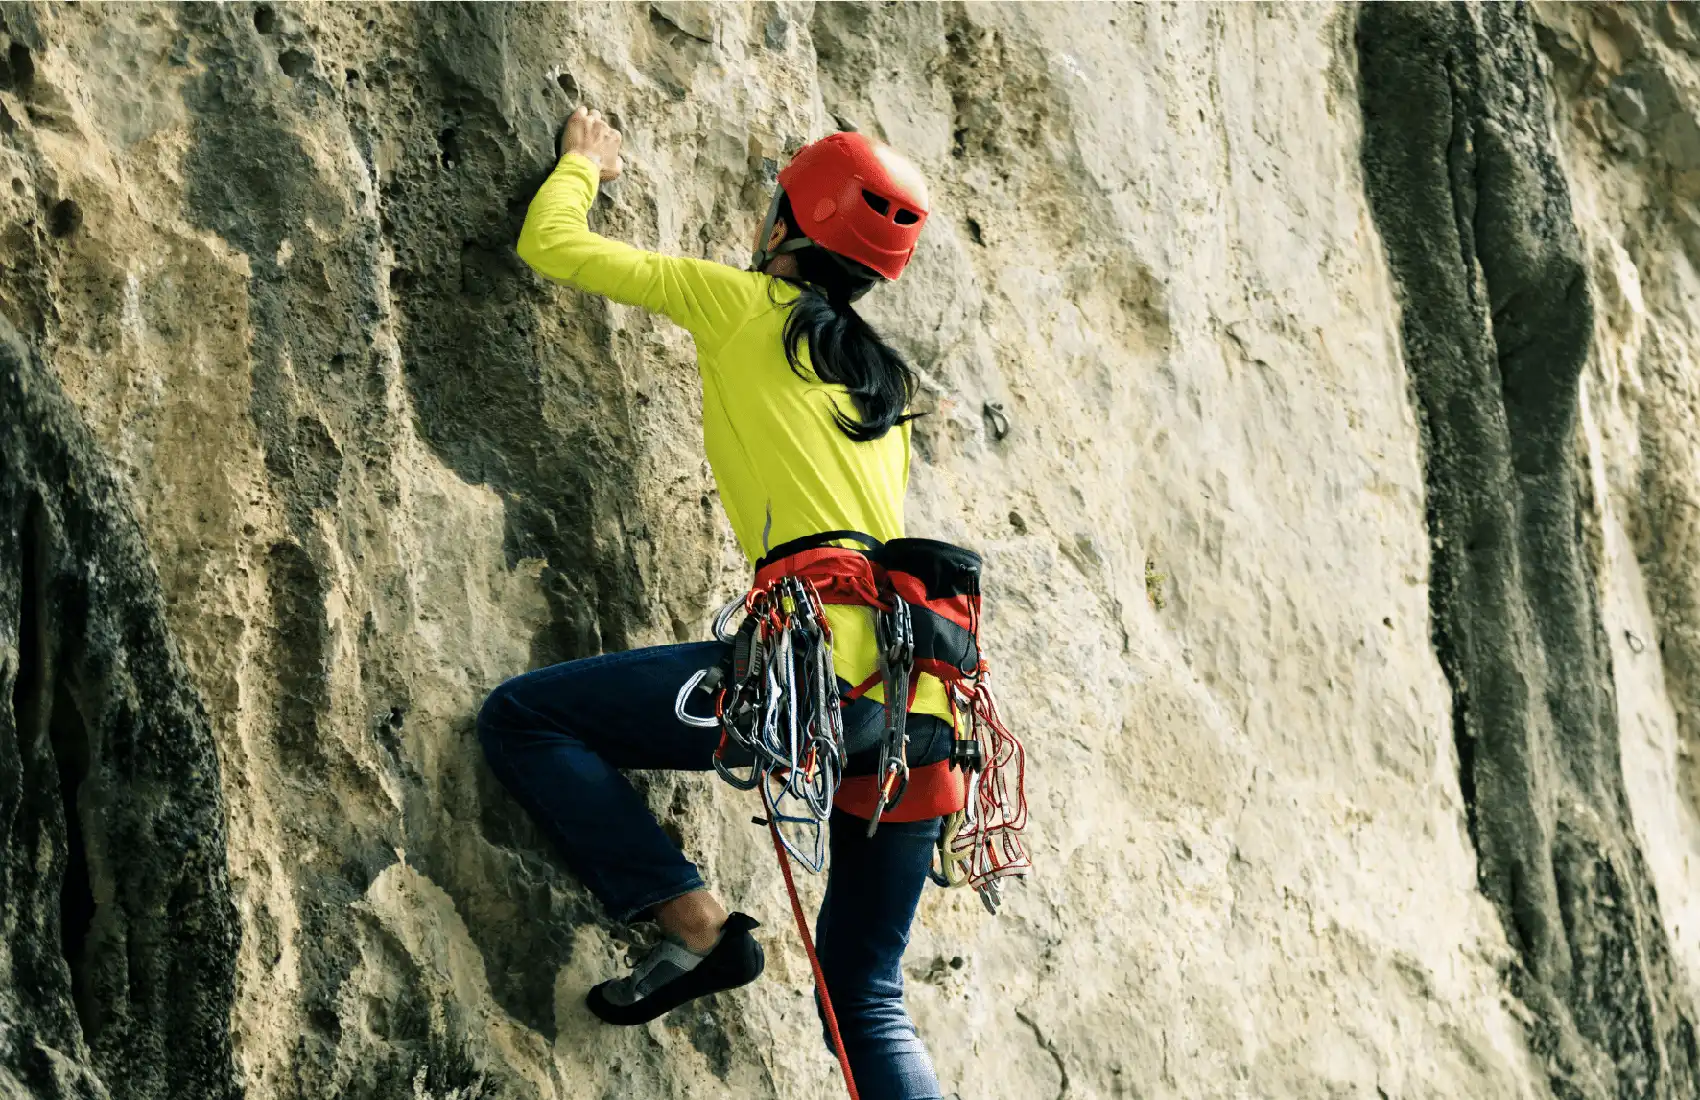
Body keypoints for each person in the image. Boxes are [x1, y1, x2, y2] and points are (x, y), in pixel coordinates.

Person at [477, 105, 957, 1100]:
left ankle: (695, 925)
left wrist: (579, 167)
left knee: (524, 718)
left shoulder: (742, 305)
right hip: (922, 702)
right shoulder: (883, 385)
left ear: (789, 223)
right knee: (862, 991)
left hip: (810, 671)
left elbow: (550, 244)